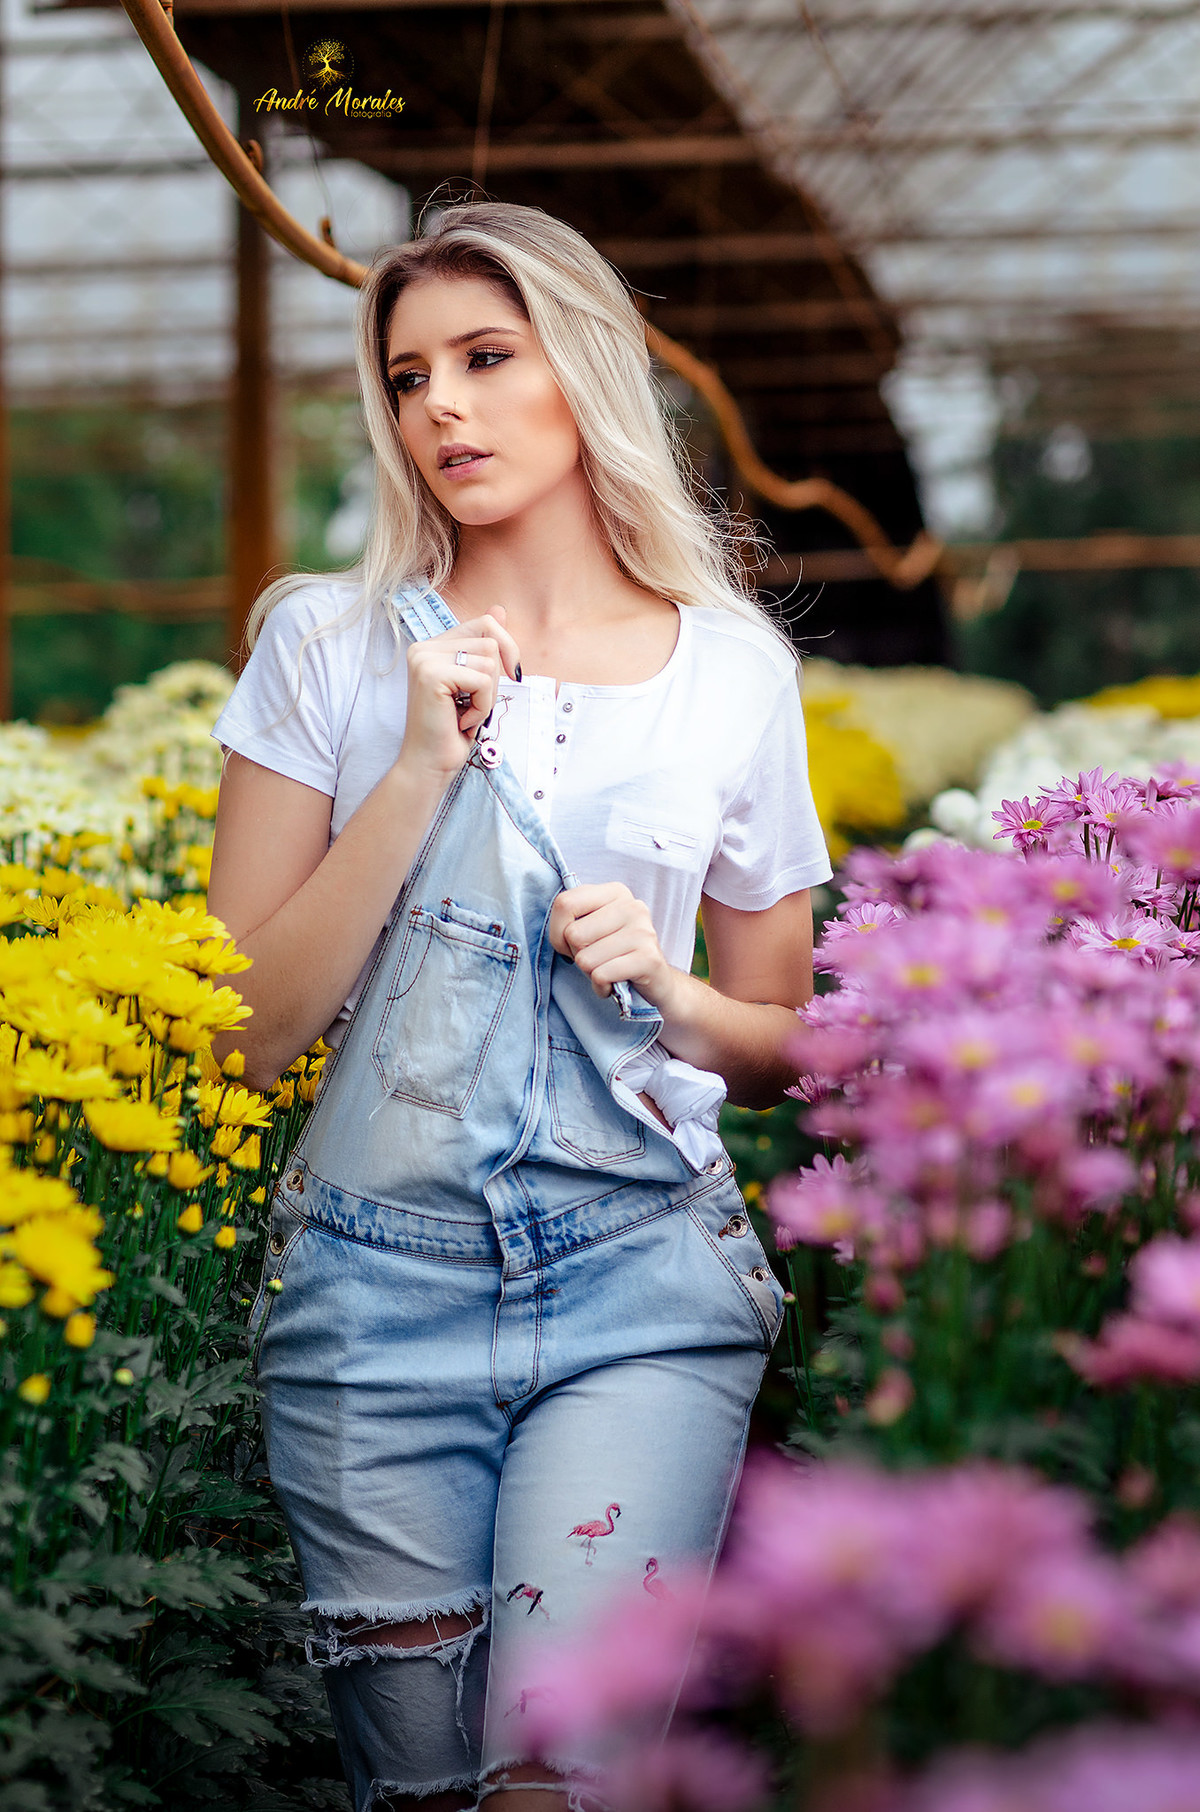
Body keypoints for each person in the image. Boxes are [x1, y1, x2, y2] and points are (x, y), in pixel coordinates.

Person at [206, 201, 832, 1812]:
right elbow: (237, 1034)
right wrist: (417, 767)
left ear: (588, 373)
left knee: (562, 1786)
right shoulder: (326, 649)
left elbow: (785, 1046)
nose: (443, 411)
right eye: (411, 378)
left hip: (639, 1284)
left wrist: (673, 987)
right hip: (369, 1301)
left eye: (488, 358)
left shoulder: (731, 670)